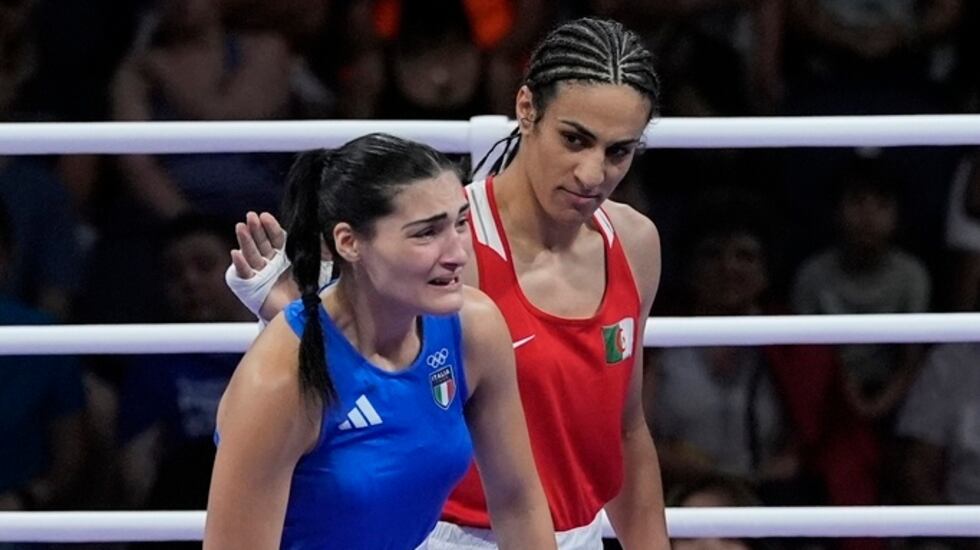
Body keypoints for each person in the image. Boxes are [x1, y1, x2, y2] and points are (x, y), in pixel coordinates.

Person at [226, 16, 669, 549]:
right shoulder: (450, 252)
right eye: (574, 140)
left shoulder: (635, 243)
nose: (592, 173)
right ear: (526, 109)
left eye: (618, 151)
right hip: (446, 534)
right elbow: (364, 367)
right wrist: (290, 308)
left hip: (572, 533)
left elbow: (626, 429)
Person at [203, 133, 555, 550]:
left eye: (460, 223)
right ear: (349, 243)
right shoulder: (279, 381)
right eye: (426, 233)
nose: (458, 252)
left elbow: (518, 503)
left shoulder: (474, 328)